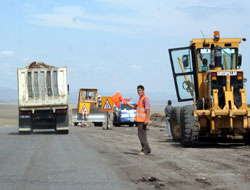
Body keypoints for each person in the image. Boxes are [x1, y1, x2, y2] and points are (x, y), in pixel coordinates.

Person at [127, 85, 151, 155]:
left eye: (140, 90)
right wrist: (128, 104)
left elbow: (148, 109)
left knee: (141, 135)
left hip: (143, 120)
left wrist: (146, 119)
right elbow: (136, 107)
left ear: (143, 90)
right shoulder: (140, 98)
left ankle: (145, 150)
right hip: (140, 120)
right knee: (142, 135)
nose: (138, 92)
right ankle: (147, 149)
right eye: (138, 90)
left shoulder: (145, 98)